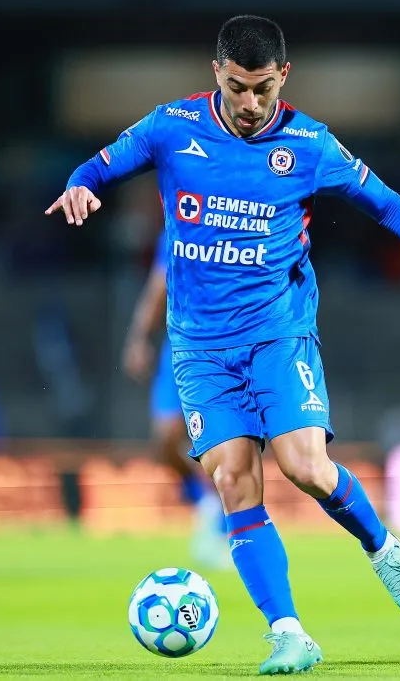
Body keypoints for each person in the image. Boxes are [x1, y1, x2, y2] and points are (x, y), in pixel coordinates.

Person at [46, 14, 400, 675]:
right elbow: (100, 165)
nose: (251, 104)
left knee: (304, 465)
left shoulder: (310, 144)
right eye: (240, 87)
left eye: (264, 89)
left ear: (285, 77)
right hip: (198, 346)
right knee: (232, 480)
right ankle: (289, 633)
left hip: (278, 331)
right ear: (217, 72)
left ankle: (382, 545)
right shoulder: (171, 127)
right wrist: (79, 185)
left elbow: (386, 205)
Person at [122, 229, 231, 569]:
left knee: (225, 444)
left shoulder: (245, 218)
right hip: (182, 343)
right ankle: (206, 502)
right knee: (166, 437)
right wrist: (139, 336)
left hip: (227, 344)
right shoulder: (177, 227)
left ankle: (226, 526)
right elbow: (159, 284)